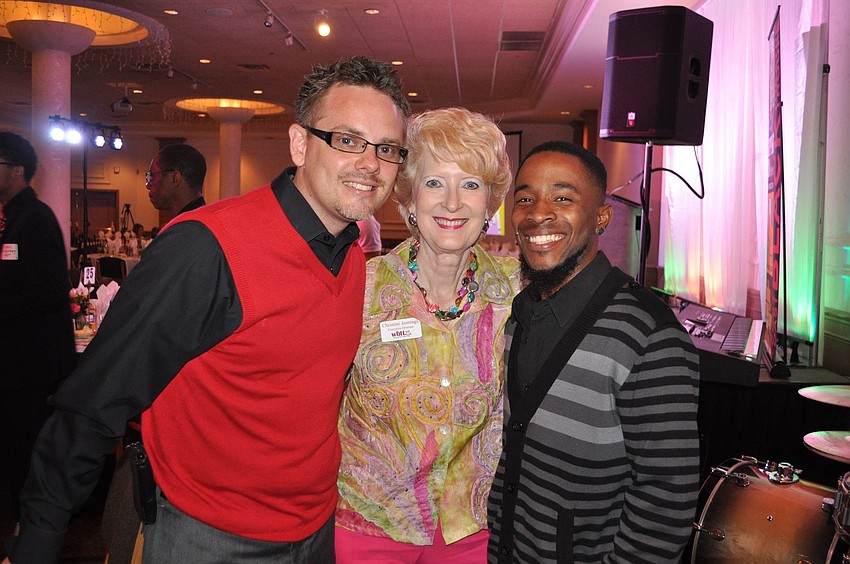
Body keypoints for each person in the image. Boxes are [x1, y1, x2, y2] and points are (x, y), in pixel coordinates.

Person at [3, 55, 410, 564]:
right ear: (300, 143)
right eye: (347, 140)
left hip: (317, 528)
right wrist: (38, 539)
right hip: (208, 537)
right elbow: (95, 400)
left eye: (387, 148)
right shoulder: (207, 246)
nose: (370, 164)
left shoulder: (352, 258)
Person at [486, 140, 700, 563]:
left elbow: (665, 501)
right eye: (525, 198)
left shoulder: (648, 336)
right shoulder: (518, 316)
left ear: (601, 217)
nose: (538, 213)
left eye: (562, 198)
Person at [336, 107, 522, 563]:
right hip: (370, 523)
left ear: (490, 203)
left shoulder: (518, 292)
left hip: (472, 529)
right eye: (435, 182)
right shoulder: (360, 288)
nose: (452, 202)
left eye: (471, 184)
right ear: (409, 198)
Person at [0, 132, 75, 530]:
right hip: (21, 365)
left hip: (33, 368)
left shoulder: (34, 219)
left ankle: (31, 538)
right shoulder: (15, 218)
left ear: (16, 171)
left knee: (29, 458)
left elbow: (49, 292)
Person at [145, 143, 207, 217]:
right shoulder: (207, 218)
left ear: (174, 178)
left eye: (153, 176)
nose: (148, 185)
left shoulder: (189, 223)